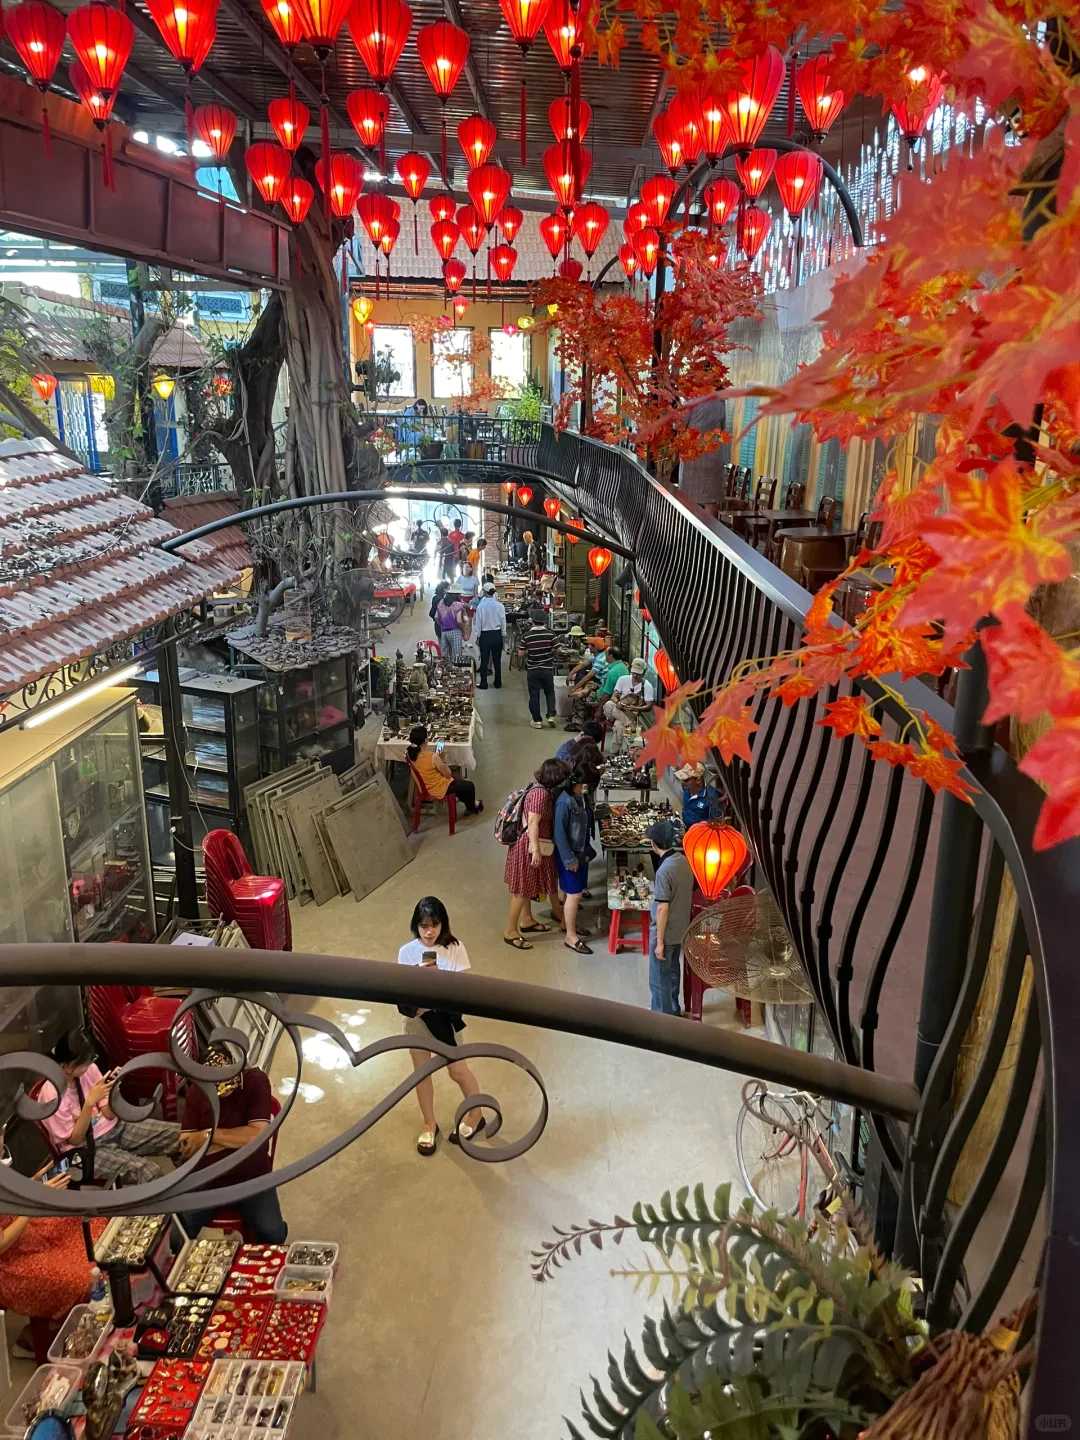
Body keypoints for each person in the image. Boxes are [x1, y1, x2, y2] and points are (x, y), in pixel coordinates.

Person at [397, 897, 486, 1156]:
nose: (429, 931)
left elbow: (462, 994)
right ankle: (429, 1123)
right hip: (416, 1021)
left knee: (458, 1071)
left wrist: (437, 980)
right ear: (416, 925)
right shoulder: (406, 952)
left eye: (435, 925)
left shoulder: (455, 947)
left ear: (443, 924)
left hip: (447, 1022)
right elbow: (400, 992)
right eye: (424, 925)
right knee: (421, 1073)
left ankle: (476, 1115)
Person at [176, 1044, 287, 1244]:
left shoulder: (255, 1081)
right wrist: (236, 1139)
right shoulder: (197, 1092)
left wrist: (207, 1136)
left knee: (274, 1233)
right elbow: (186, 1149)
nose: (223, 1088)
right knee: (176, 1234)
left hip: (252, 1176)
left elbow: (257, 1136)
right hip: (207, 1178)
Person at [38, 1029, 179, 1185]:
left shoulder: (89, 1070)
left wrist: (113, 1088)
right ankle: (171, 1207)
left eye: (91, 1060)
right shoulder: (51, 1094)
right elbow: (75, 1140)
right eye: (84, 1063)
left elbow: (109, 1114)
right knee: (149, 1172)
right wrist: (89, 1103)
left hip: (115, 1128)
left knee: (179, 1135)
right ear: (67, 1066)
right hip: (87, 1149)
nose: (89, 1065)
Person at [0, 1169, 105, 1349]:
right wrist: (31, 1205)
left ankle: (53, 1329)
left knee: (91, 1222)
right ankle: (63, 1332)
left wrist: (34, 1184)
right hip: (8, 1261)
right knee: (82, 1279)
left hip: (24, 1228)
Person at [503, 758, 568, 949]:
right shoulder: (541, 795)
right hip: (530, 846)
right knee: (522, 890)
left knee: (528, 886)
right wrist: (535, 849)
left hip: (531, 844)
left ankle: (526, 920)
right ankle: (510, 931)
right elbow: (533, 822)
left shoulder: (538, 787)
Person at [646, 819, 694, 1016]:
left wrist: (659, 942)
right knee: (673, 973)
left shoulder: (664, 871)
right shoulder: (684, 861)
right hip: (681, 930)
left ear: (654, 844)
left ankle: (662, 1018)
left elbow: (662, 909)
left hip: (665, 932)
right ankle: (674, 1010)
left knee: (659, 978)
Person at [554, 767, 594, 955]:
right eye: (582, 785)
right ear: (574, 785)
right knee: (574, 894)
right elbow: (560, 835)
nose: (585, 788)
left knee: (572, 892)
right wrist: (569, 859)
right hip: (570, 855)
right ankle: (570, 937)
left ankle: (565, 923)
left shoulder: (578, 797)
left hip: (579, 852)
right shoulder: (565, 802)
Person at [406, 726, 483, 815]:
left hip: (426, 784)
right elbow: (448, 774)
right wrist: (442, 760)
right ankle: (472, 807)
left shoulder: (410, 754)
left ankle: (472, 803)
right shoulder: (432, 757)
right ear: (426, 740)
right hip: (438, 788)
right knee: (469, 786)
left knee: (460, 784)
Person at [604, 657, 656, 745]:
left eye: (638, 674)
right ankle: (630, 725)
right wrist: (618, 703)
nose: (635, 676)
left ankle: (617, 752)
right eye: (633, 673)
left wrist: (635, 708)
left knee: (619, 726)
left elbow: (649, 705)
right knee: (609, 704)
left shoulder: (647, 686)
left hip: (633, 714)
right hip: (620, 709)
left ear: (644, 673)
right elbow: (613, 696)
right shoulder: (623, 679)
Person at [521, 608, 559, 729]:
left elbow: (521, 653)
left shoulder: (527, 635)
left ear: (532, 621)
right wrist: (549, 653)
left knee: (534, 694)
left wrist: (530, 651)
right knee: (549, 692)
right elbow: (558, 649)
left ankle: (537, 721)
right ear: (544, 621)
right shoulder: (550, 634)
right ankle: (551, 715)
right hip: (547, 669)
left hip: (533, 670)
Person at [474, 582, 507, 690]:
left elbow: (478, 624)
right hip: (497, 635)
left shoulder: (481, 606)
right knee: (497, 660)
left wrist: (477, 637)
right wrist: (503, 635)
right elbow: (503, 622)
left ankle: (484, 683)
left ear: (484, 592)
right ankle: (498, 682)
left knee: (484, 660)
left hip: (485, 636)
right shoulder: (500, 606)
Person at [676, 763, 725, 829]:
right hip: (686, 828)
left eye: (686, 780)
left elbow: (716, 823)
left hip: (699, 833)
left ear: (698, 780)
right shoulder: (686, 788)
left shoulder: (711, 796)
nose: (682, 782)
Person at [435, 591, 465, 660]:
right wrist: (463, 630)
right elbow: (459, 621)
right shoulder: (458, 605)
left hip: (444, 632)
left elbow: (436, 617)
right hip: (455, 632)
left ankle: (445, 670)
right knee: (456, 657)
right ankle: (455, 670)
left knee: (444, 657)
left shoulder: (441, 603)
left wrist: (442, 625)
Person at [429, 579, 450, 646]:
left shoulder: (435, 598)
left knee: (442, 646)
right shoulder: (443, 600)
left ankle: (442, 656)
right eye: (449, 588)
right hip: (445, 626)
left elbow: (431, 613)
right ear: (444, 589)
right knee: (447, 647)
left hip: (437, 626)